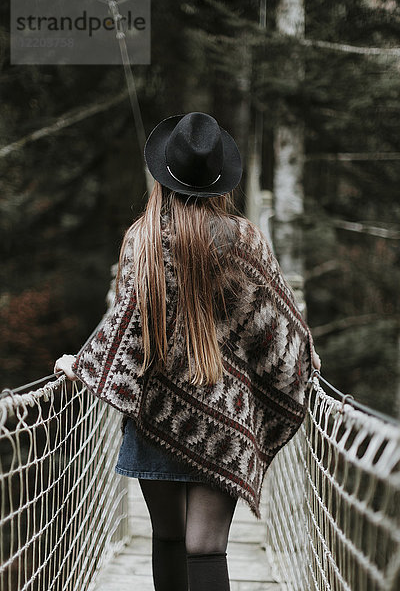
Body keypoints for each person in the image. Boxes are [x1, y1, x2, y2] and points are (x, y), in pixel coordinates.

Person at [54, 111, 321, 591]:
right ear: (221, 182)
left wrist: (82, 364)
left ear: (164, 176)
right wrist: (304, 364)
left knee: (170, 538)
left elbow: (124, 329)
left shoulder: (142, 240)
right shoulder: (247, 242)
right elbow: (281, 334)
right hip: (228, 419)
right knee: (208, 548)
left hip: (156, 415)